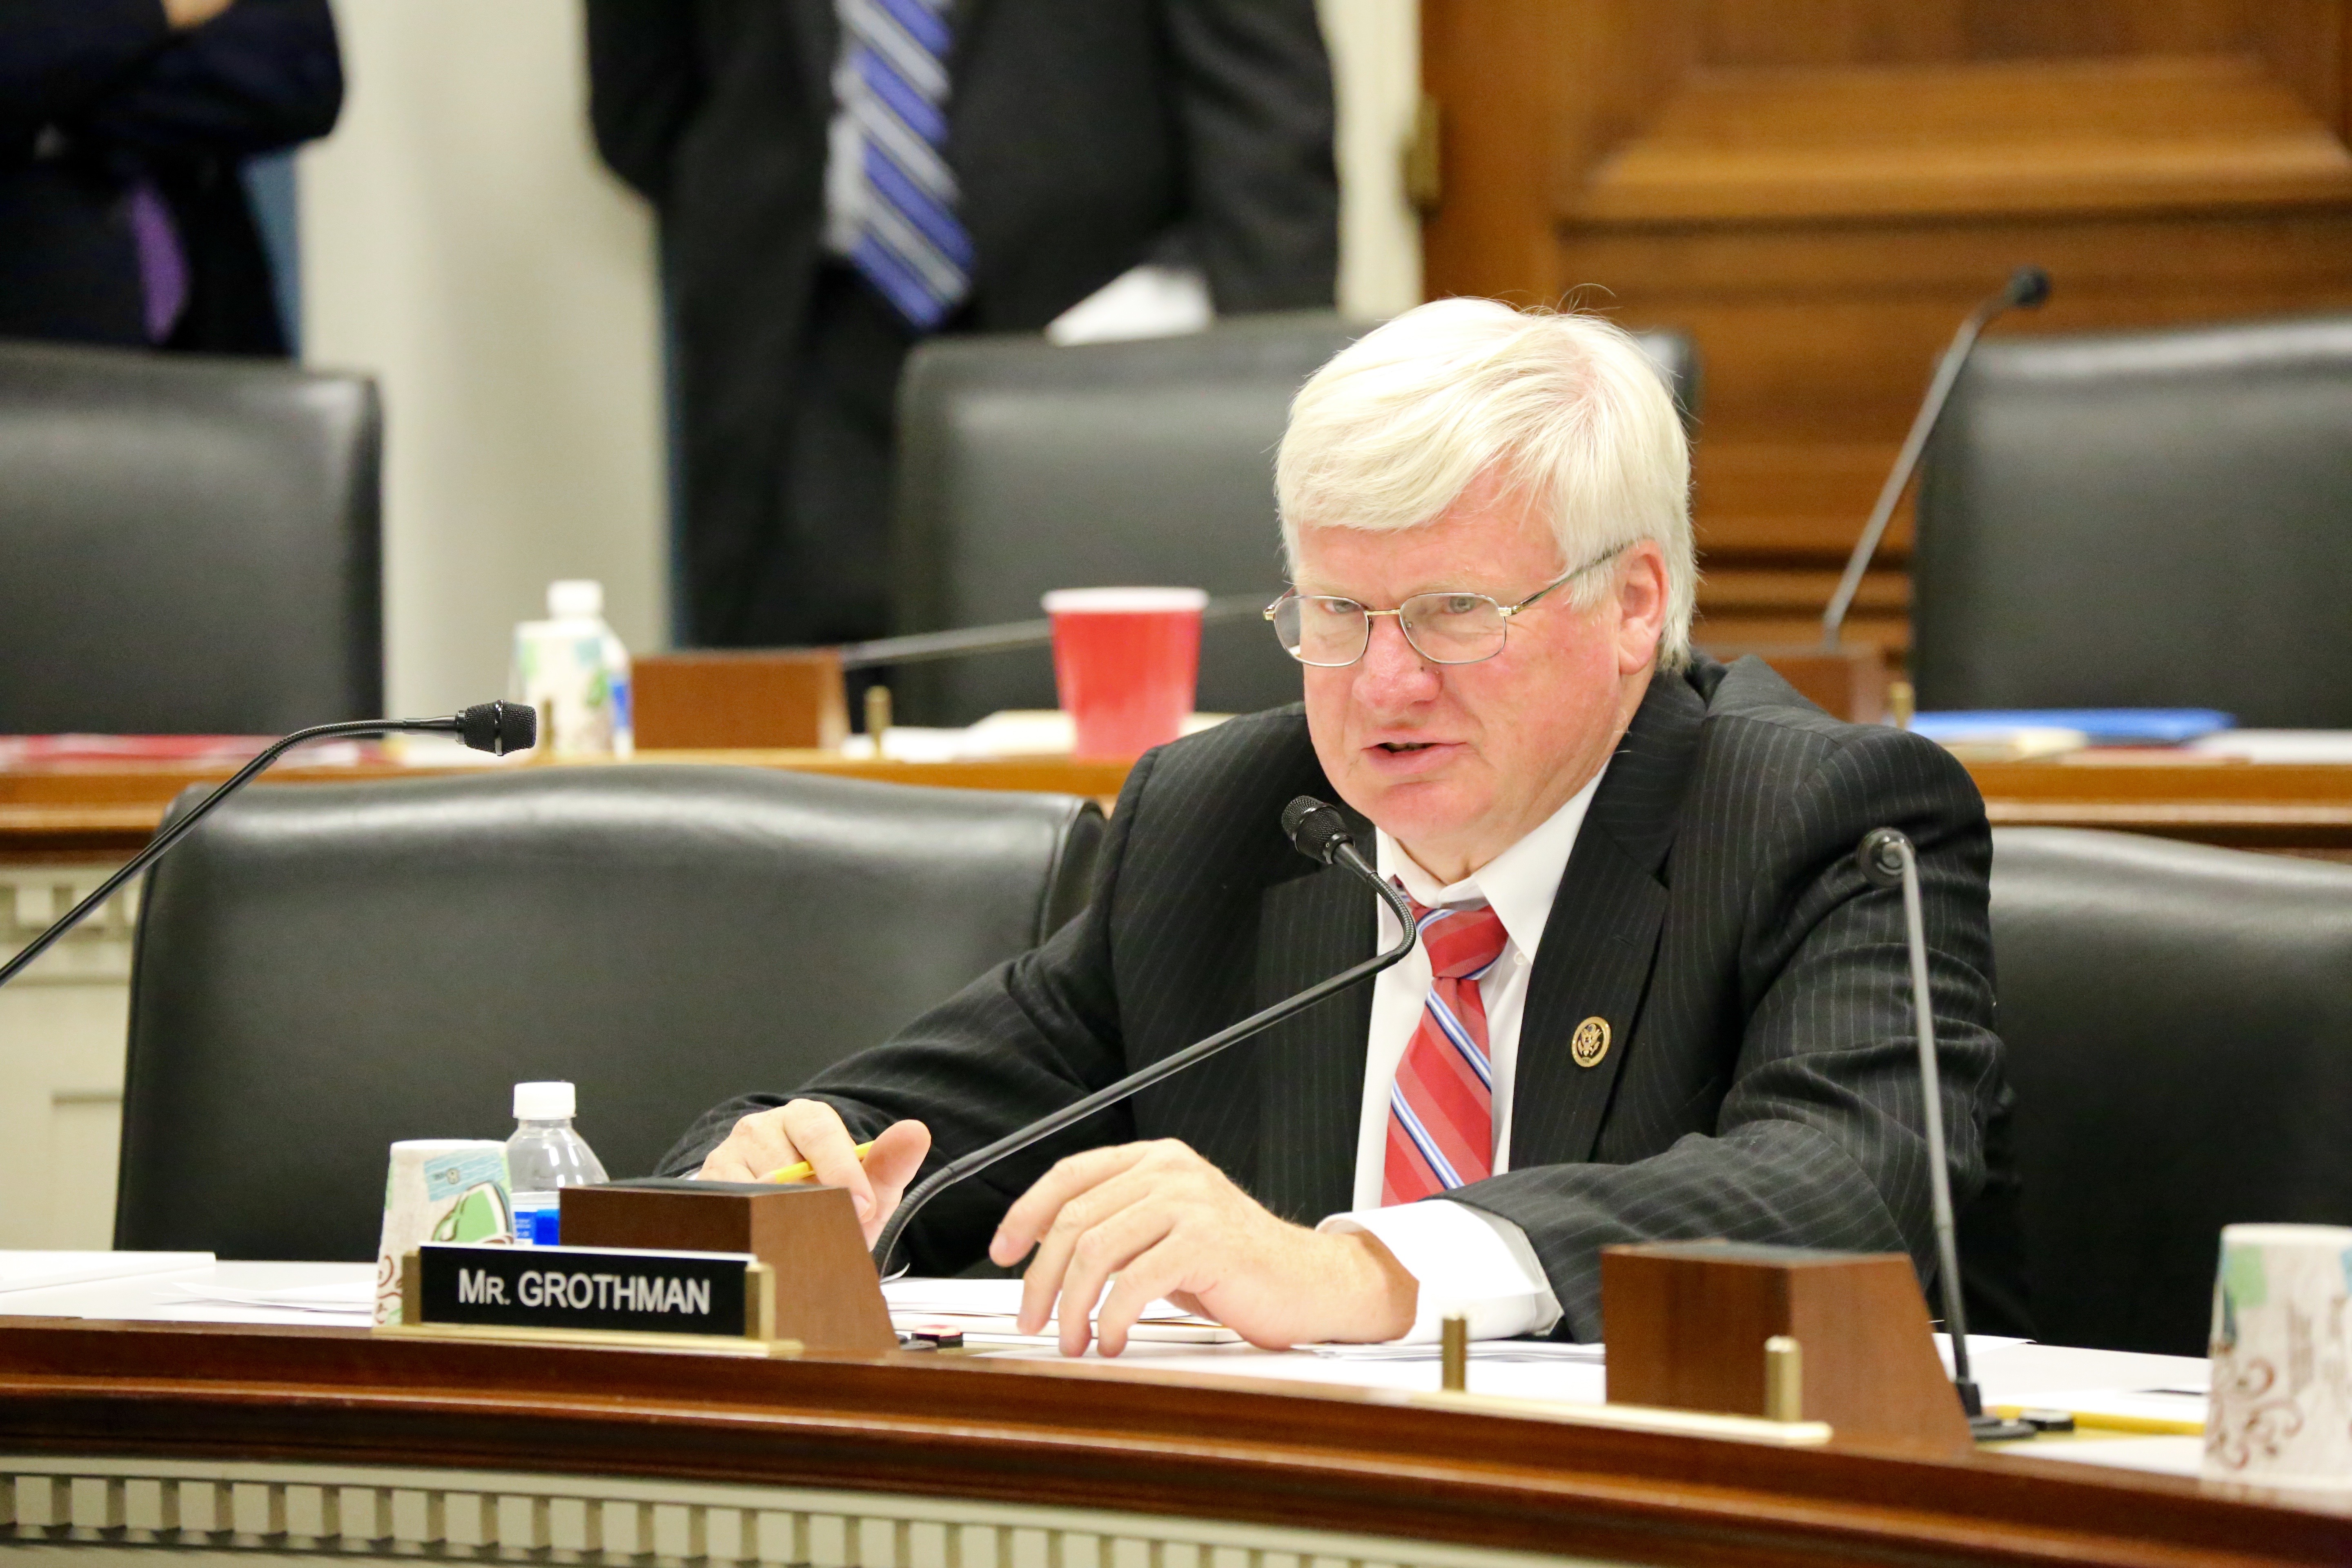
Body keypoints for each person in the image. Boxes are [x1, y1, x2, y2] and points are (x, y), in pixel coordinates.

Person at [662, 299, 2025, 1355]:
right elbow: (888, 1129)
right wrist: (784, 1175)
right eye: (1336, 614)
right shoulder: (1227, 825)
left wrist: (1363, 1271)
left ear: (1631, 604)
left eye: (1453, 613)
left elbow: (1853, 1190)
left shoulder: (1825, 820)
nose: (1383, 685)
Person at [583, 0, 1338, 652]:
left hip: (1101, 345)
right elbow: (642, 104)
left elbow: (1267, 123)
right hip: (802, 354)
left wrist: (1252, 401)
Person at [0, 0, 341, 353]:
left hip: (214, 327)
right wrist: (160, 12)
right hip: (35, 337)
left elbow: (303, 70)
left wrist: (60, 92)